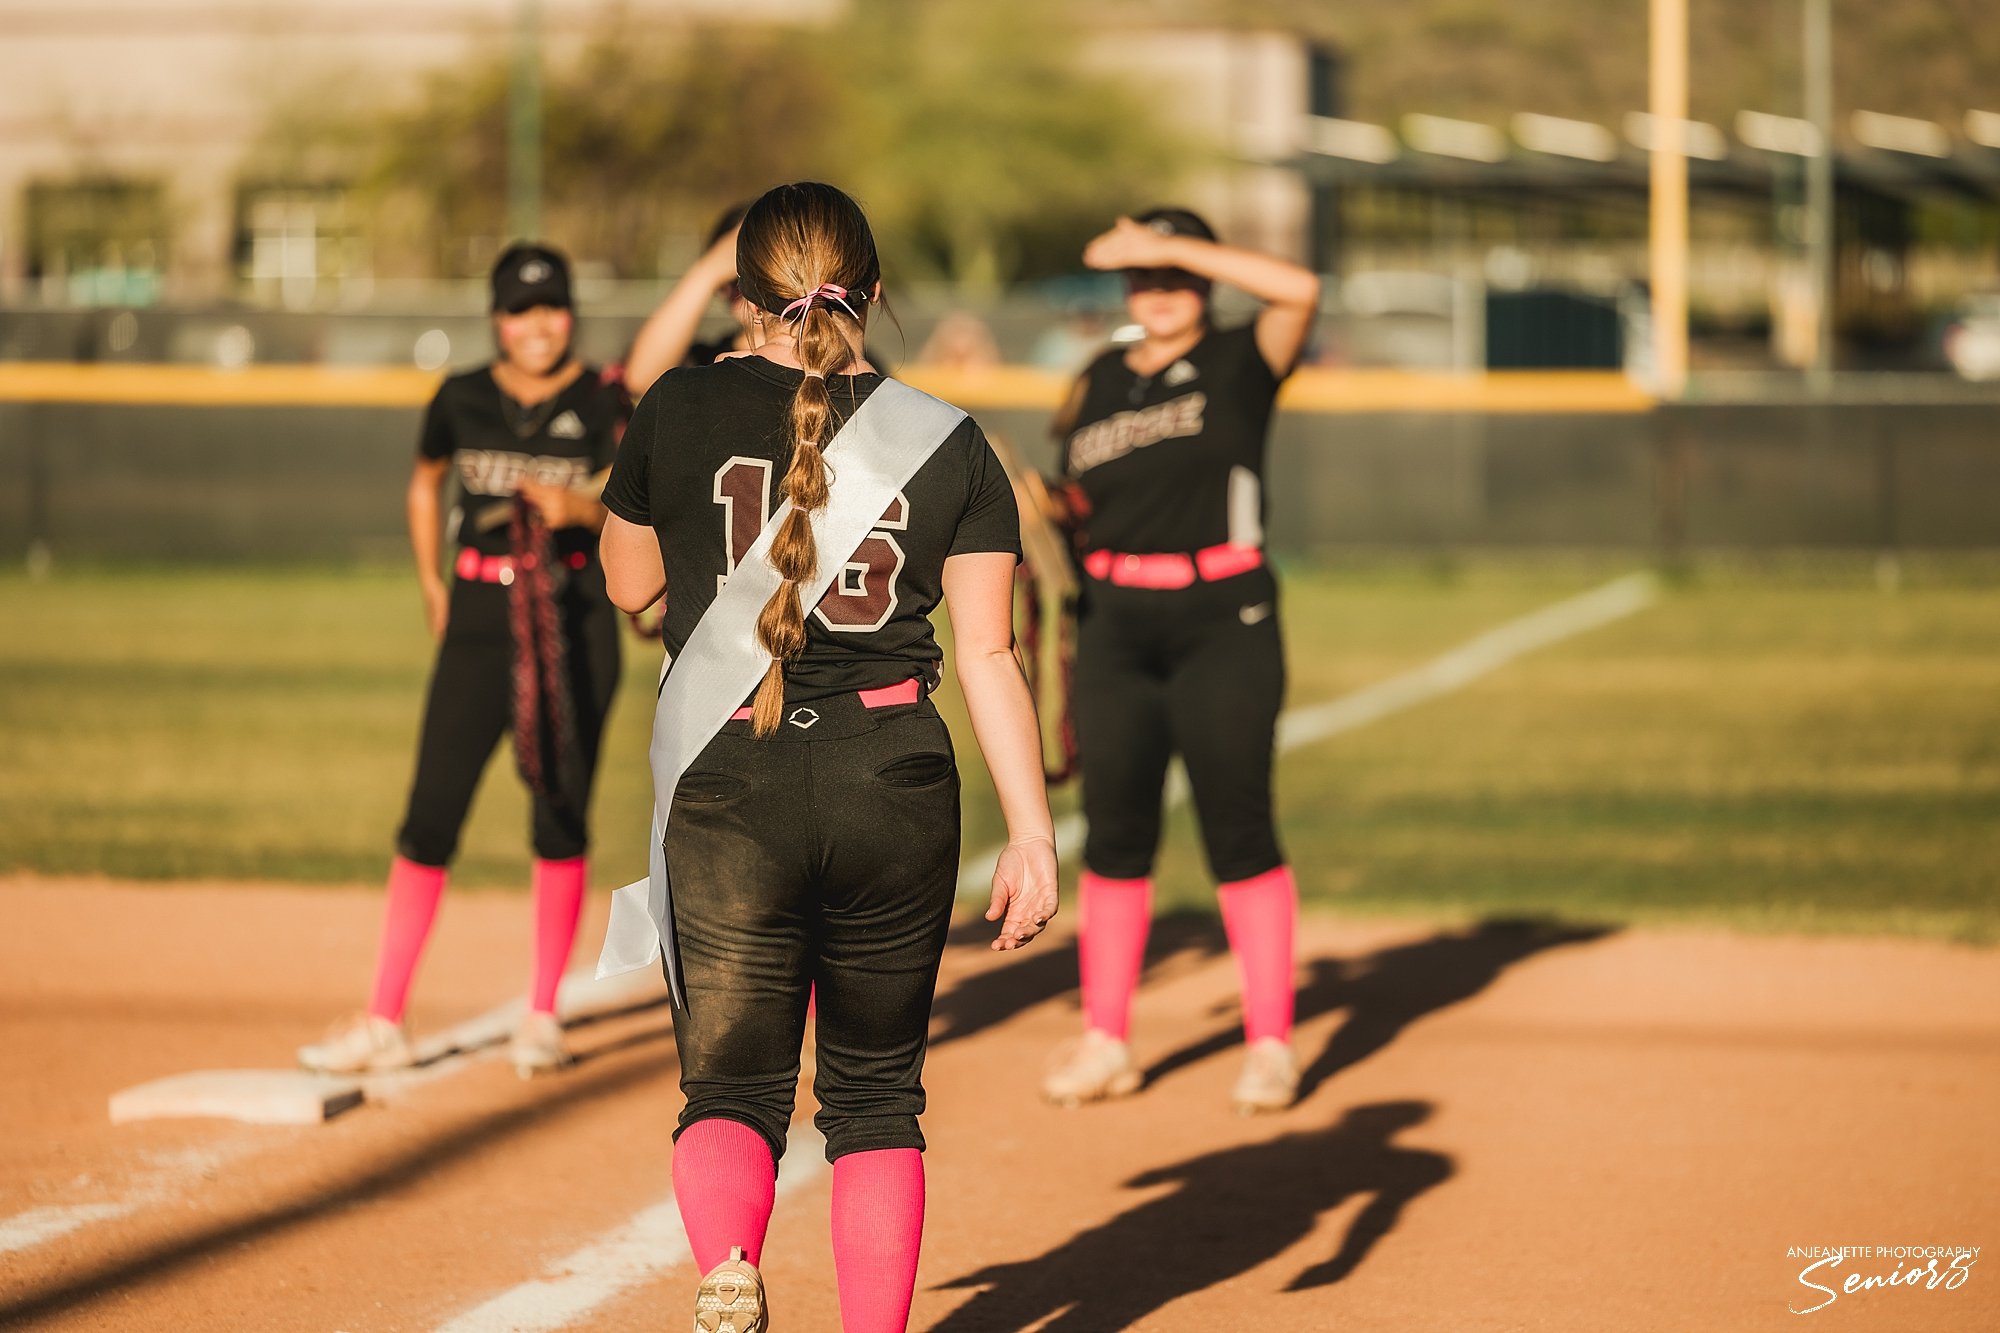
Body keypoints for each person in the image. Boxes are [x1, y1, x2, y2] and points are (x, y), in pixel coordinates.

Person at [598, 181, 1059, 1333]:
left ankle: (726, 1263)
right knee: (872, 1104)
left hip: (728, 777)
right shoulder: (950, 440)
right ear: (874, 292)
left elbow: (628, 586)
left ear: (742, 295)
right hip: (893, 778)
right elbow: (992, 653)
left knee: (731, 1089)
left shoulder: (675, 408)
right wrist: (1035, 835)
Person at [298, 244, 625, 1079]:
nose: (537, 324)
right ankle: (383, 1016)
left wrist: (581, 504)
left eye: (551, 306)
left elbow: (637, 501)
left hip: (571, 609)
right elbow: (424, 481)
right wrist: (430, 586)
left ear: (570, 312)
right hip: (480, 610)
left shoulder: (604, 398)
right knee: (432, 810)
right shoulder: (462, 395)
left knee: (559, 805)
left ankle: (542, 1012)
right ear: (495, 320)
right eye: (520, 310)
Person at [1040, 208, 1320, 1115]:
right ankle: (1106, 1040)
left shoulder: (1245, 357)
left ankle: (1270, 1044)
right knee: (1116, 831)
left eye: (1173, 275)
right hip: (1115, 616)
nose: (1157, 292)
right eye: (1144, 278)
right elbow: (1079, 495)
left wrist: (1166, 244)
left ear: (1203, 280)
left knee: (1237, 821)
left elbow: (1300, 288)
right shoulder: (1097, 377)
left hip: (1222, 612)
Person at [623, 203, 755, 397]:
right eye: (732, 277)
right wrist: (709, 271)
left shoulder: (811, 356)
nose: (742, 287)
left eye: (754, 273)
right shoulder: (708, 362)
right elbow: (640, 379)